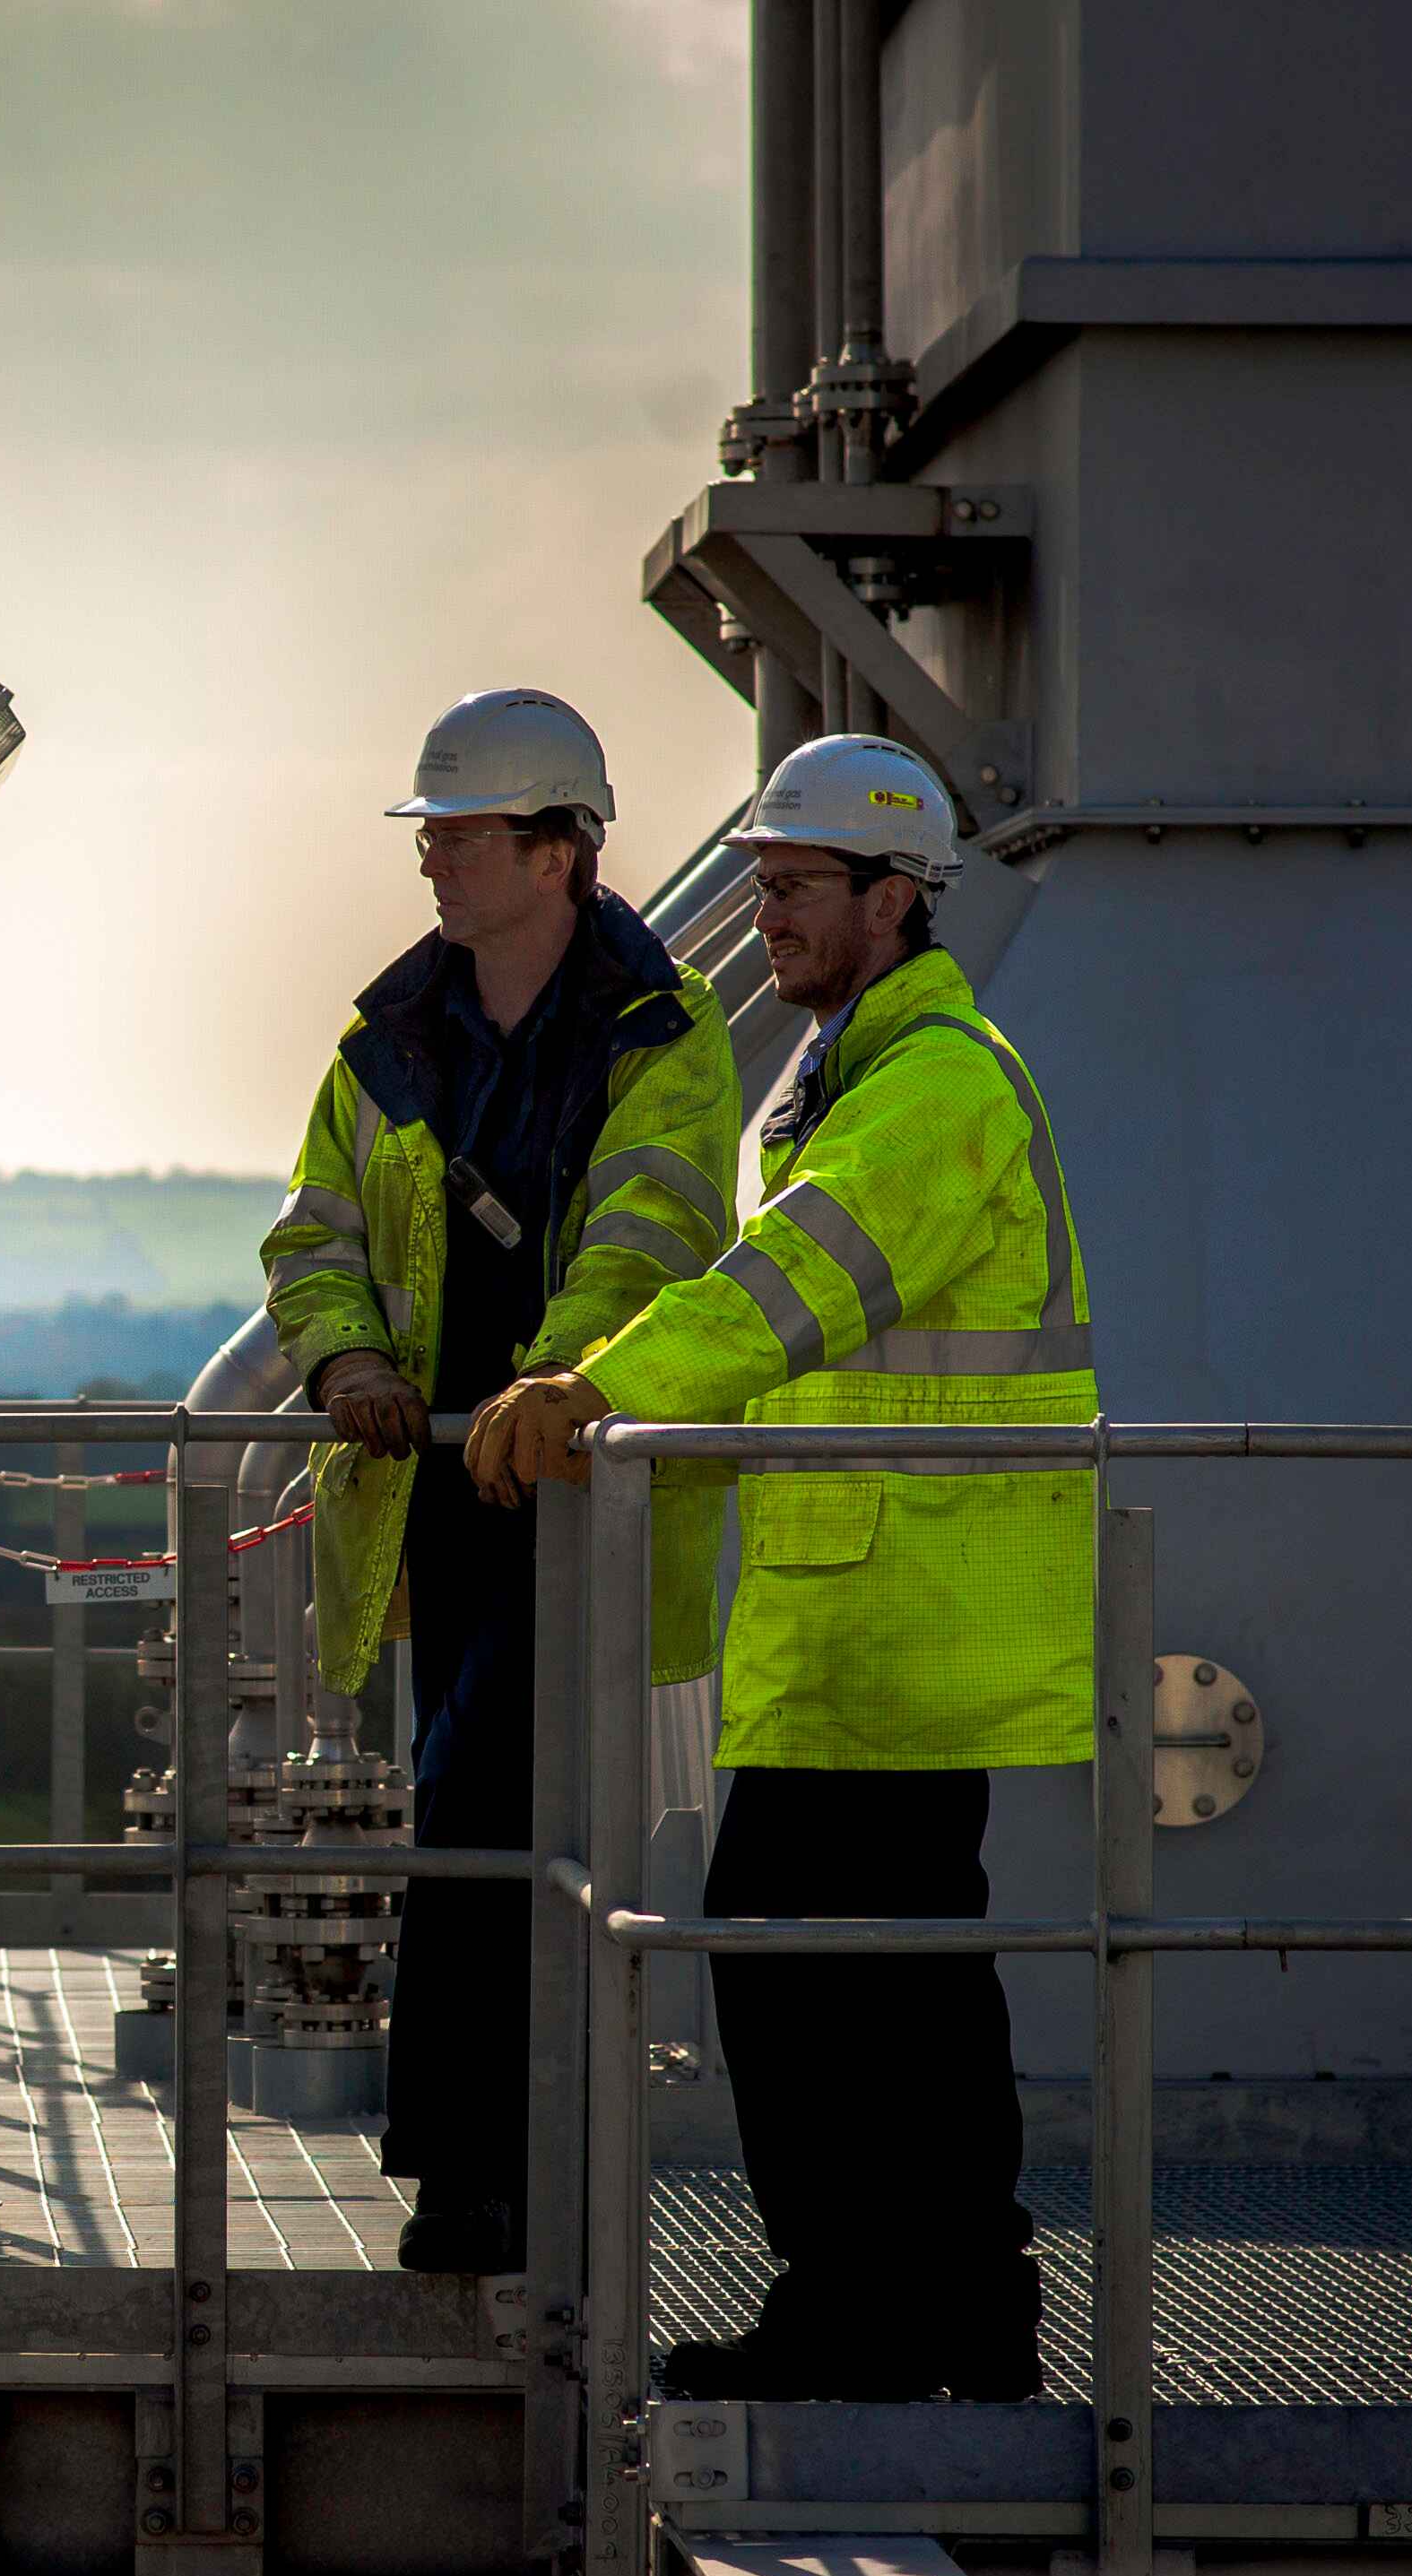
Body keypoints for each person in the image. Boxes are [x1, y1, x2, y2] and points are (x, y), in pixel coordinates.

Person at [463, 733, 1096, 2398]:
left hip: (915, 1609)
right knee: (882, 1979)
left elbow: (781, 1294)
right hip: (858, 1606)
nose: (765, 921)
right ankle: (948, 2311)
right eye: (759, 886)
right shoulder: (851, 1081)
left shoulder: (937, 1089)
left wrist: (598, 1387)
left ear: (899, 900)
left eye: (797, 889)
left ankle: (877, 2314)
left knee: (828, 1971)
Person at [261, 690, 745, 2277]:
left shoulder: (663, 1045)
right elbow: (314, 1237)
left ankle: (488, 2177)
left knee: (494, 1817)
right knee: (482, 1822)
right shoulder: (385, 1046)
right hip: (436, 1499)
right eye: (434, 836)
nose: (435, 865)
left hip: (575, 1495)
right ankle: (495, 2173)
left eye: (462, 836)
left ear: (560, 853)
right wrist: (346, 1367)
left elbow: (649, 1243)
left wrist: (540, 1397)